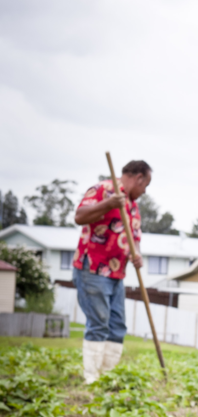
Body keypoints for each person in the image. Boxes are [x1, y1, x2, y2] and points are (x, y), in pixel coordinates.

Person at [72, 160, 151, 382]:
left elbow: (134, 237)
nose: (145, 191)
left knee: (117, 327)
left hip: (117, 274)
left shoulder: (133, 205)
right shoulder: (103, 190)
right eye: (146, 185)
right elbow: (80, 217)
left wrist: (136, 253)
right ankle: (92, 380)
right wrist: (107, 205)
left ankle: (107, 378)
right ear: (139, 178)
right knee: (99, 324)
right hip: (93, 270)